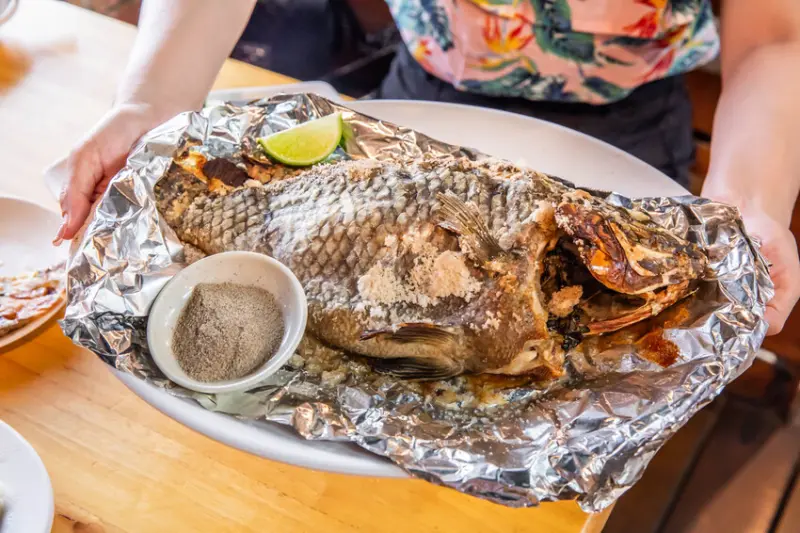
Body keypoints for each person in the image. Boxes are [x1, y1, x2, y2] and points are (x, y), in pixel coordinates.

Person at [49, 0, 800, 334]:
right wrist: (153, 104)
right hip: (419, 109)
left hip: (628, 132)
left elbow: (773, 37)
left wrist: (747, 197)